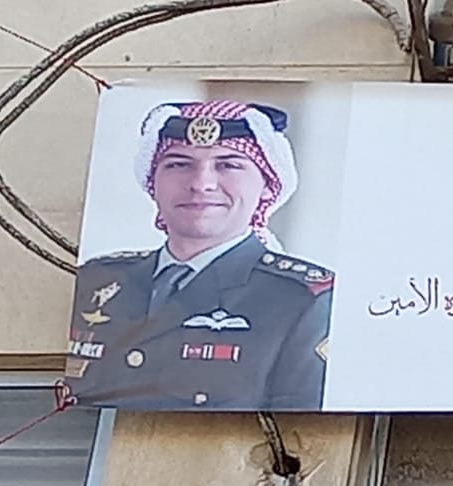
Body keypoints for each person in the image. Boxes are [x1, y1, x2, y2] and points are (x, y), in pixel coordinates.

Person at [64, 99, 332, 411]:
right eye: (179, 164)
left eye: (228, 165)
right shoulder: (95, 280)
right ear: (152, 182)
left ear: (267, 185)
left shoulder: (304, 299)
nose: (201, 184)